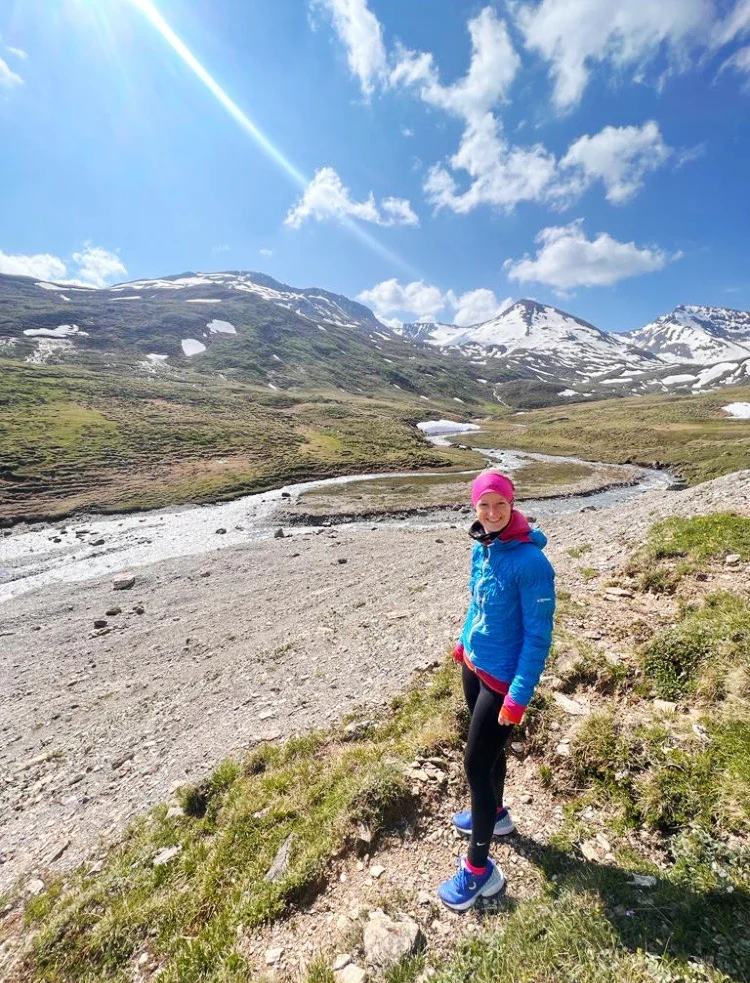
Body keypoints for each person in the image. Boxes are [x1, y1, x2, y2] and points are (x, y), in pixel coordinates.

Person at [437, 468, 555, 911]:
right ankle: (498, 816)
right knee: (489, 757)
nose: (491, 513)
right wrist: (465, 642)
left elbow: (537, 638)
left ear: (513, 504)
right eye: (484, 505)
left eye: (500, 504)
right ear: (474, 508)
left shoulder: (532, 564)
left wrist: (518, 696)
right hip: (475, 665)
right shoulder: (483, 545)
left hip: (503, 679)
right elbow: (476, 600)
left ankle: (479, 871)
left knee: (474, 764)